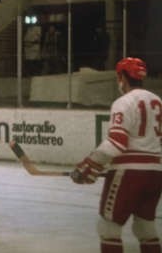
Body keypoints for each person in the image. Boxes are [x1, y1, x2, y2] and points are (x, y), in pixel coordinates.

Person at [70, 57, 162, 253]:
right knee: (145, 227)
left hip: (128, 173)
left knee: (109, 227)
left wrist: (89, 164)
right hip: (156, 173)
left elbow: (117, 143)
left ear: (122, 77)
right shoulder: (157, 101)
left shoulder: (124, 102)